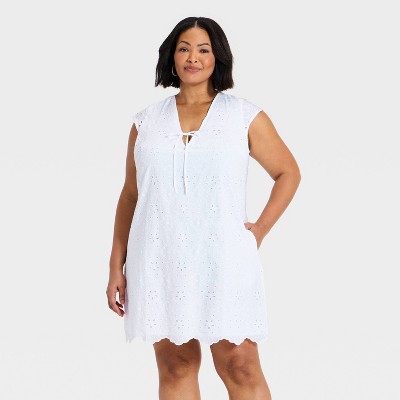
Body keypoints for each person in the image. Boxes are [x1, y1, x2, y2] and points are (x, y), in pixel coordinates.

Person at [106, 16, 301, 400]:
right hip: (159, 257)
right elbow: (131, 195)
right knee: (175, 364)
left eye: (203, 49)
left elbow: (288, 172)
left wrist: (260, 229)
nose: (192, 57)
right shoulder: (146, 122)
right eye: (184, 48)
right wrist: (116, 264)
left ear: (218, 57)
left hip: (224, 257)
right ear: (171, 57)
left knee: (239, 362)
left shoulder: (243, 116)